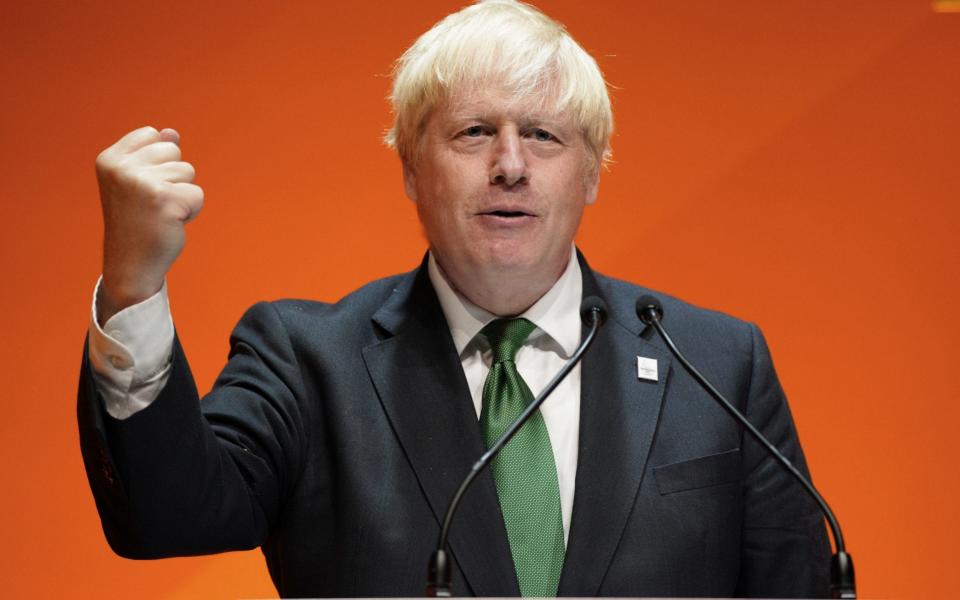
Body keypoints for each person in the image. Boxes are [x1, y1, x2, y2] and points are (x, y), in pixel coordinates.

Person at [78, 0, 830, 597]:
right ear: (411, 167)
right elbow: (165, 518)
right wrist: (133, 286)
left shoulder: (716, 364)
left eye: (542, 135)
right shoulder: (309, 363)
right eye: (474, 132)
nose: (510, 165)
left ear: (593, 173)